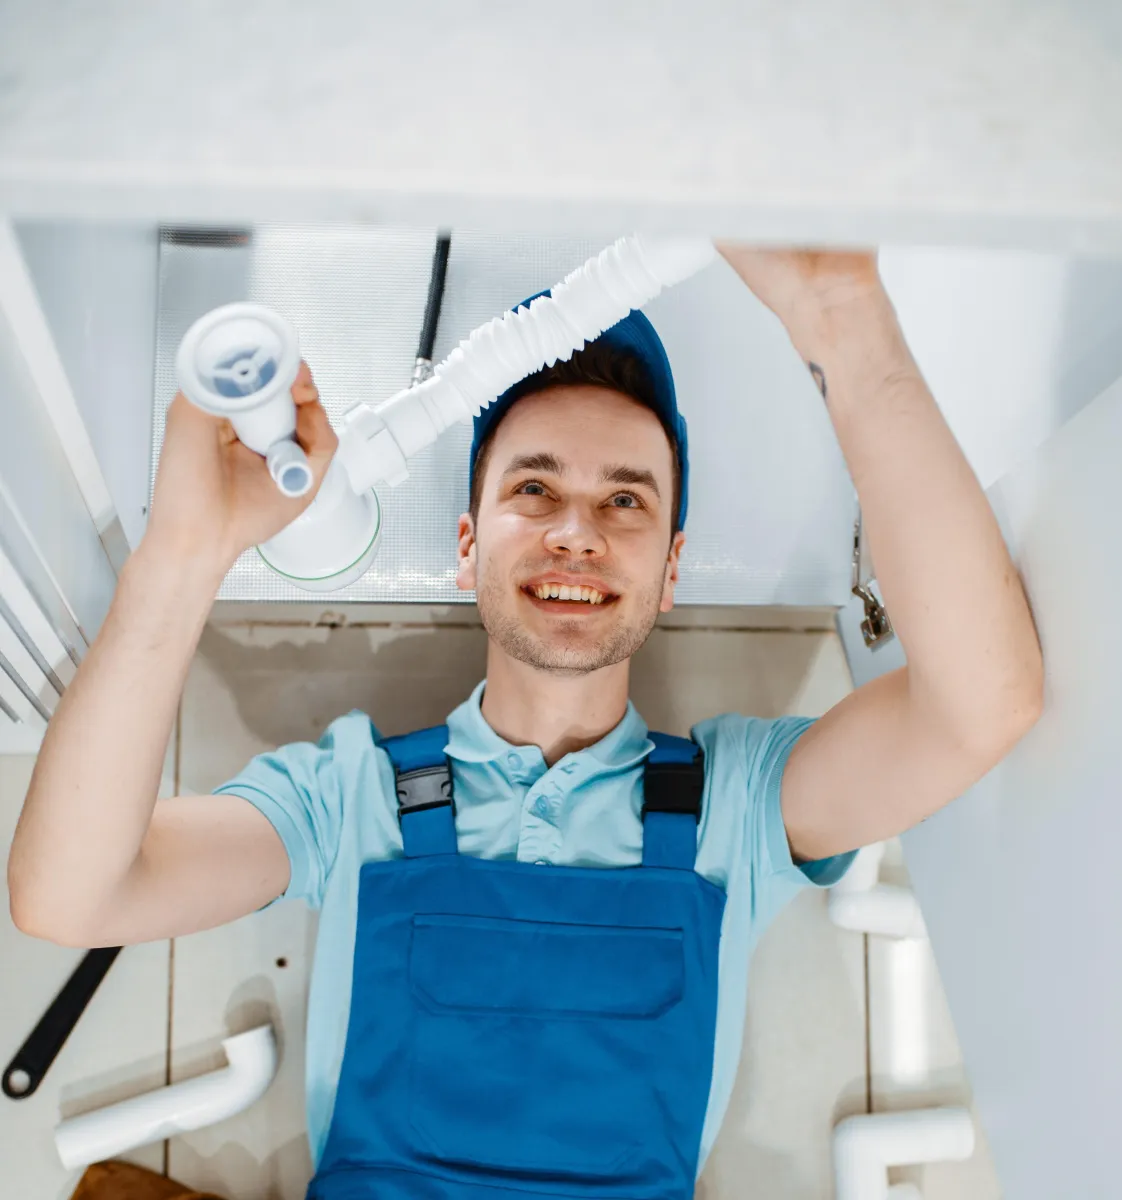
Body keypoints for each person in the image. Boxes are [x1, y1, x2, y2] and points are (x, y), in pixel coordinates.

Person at [8, 246, 1044, 1198]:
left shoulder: (740, 803)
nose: (576, 531)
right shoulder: (347, 795)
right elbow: (68, 898)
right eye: (535, 487)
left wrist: (848, 319)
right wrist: (184, 552)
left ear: (672, 570)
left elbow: (980, 703)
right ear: (468, 546)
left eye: (627, 501)